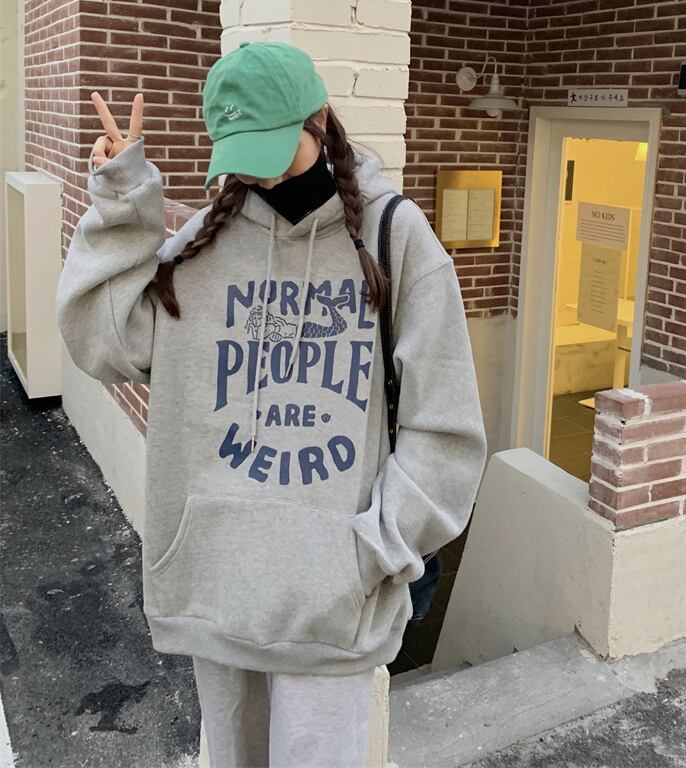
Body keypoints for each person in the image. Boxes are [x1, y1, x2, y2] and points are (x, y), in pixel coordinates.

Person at [55, 41, 487, 767]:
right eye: (242, 155)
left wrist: (367, 555)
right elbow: (104, 340)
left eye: (273, 149)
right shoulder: (206, 244)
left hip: (333, 607)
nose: (258, 173)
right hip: (220, 593)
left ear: (320, 118)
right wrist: (124, 205)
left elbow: (447, 434)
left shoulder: (395, 238)